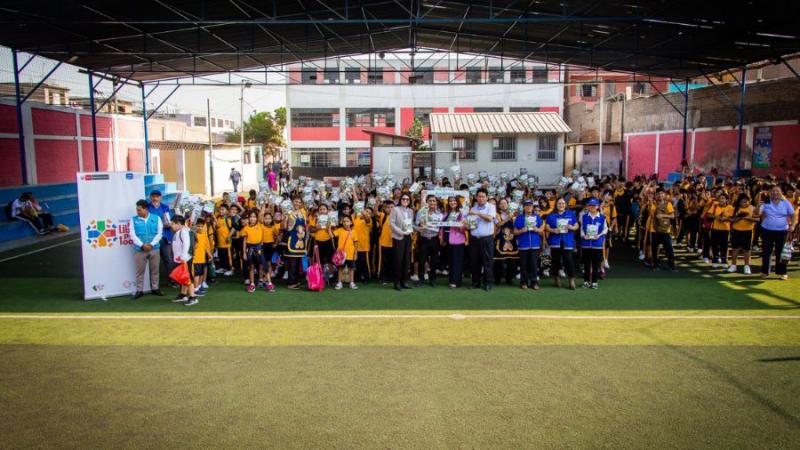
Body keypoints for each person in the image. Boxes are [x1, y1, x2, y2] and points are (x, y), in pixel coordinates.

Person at [760, 185, 797, 280]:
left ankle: (782, 273)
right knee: (766, 251)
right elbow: (757, 213)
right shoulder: (766, 203)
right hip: (767, 230)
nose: (775, 193)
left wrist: (792, 225)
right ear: (769, 193)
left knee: (781, 253)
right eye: (773, 191)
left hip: (782, 231)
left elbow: (793, 215)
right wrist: (758, 204)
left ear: (781, 193)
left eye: (777, 191)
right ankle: (765, 272)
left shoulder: (786, 203)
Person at [130, 199, 164, 299]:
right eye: (137, 210)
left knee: (155, 269)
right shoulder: (133, 219)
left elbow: (159, 233)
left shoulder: (156, 218)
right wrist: (142, 245)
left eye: (139, 210)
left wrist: (151, 244)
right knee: (139, 271)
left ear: (146, 209)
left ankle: (155, 288)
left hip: (154, 249)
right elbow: (132, 234)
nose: (137, 212)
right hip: (139, 250)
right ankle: (139, 290)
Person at [545, 197, 579, 289]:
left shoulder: (571, 214)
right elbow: (547, 227)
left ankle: (571, 280)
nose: (561, 205)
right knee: (555, 261)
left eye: (563, 203)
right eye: (559, 203)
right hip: (555, 241)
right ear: (556, 204)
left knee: (568, 260)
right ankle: (556, 279)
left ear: (565, 204)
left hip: (567, 241)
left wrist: (571, 227)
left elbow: (576, 225)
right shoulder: (551, 215)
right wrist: (553, 230)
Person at [468, 188, 498, 291]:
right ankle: (475, 282)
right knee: (474, 262)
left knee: (487, 262)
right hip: (474, 238)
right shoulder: (473, 207)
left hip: (487, 238)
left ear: (487, 197)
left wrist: (478, 213)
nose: (481, 198)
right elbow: (470, 222)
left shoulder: (491, 207)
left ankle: (488, 283)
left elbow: (490, 218)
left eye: (483, 196)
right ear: (476, 197)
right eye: (479, 196)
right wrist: (467, 224)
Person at [514, 199, 544, 290]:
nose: (528, 207)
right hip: (523, 244)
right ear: (523, 207)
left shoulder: (537, 217)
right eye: (526, 206)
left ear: (532, 207)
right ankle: (523, 282)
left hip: (534, 243)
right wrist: (521, 230)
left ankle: (534, 282)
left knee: (534, 264)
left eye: (530, 206)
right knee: (523, 264)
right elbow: (515, 231)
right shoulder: (519, 218)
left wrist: (537, 229)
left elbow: (542, 231)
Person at [414, 195, 442, 287]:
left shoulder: (440, 214)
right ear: (427, 202)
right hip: (423, 239)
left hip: (434, 239)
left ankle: (432, 280)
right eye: (430, 201)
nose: (432, 203)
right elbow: (416, 225)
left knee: (434, 261)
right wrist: (419, 228)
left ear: (436, 202)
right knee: (422, 260)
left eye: (434, 201)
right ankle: (421, 279)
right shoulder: (421, 212)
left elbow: (441, 228)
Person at [147, 190, 174, 285]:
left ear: (160, 197)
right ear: (150, 197)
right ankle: (154, 283)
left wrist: (168, 224)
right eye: (153, 196)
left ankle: (171, 280)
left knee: (168, 259)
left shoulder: (165, 207)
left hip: (165, 237)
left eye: (157, 196)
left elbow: (169, 221)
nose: (155, 198)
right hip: (153, 238)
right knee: (154, 261)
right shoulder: (147, 207)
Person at [580, 198, 607, 289]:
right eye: (590, 205)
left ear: (598, 206)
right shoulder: (584, 216)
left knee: (595, 264)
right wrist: (584, 236)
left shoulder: (602, 217)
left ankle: (594, 282)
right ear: (588, 206)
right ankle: (586, 281)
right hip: (586, 244)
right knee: (586, 264)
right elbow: (581, 230)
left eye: (594, 206)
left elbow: (605, 229)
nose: (592, 207)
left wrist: (599, 235)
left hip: (597, 244)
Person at [170, 215, 197, 306]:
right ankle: (183, 295)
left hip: (184, 259)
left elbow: (186, 244)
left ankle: (193, 297)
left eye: (173, 224)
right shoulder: (179, 231)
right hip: (181, 259)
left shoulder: (183, 232)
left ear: (178, 224)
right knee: (183, 278)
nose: (171, 226)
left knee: (188, 278)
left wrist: (183, 257)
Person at [390, 193, 414, 291]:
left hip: (408, 237)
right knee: (398, 260)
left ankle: (404, 282)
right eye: (403, 199)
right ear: (400, 200)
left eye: (407, 199)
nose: (405, 201)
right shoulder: (395, 209)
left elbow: (411, 224)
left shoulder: (411, 211)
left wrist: (420, 228)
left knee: (406, 261)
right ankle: (397, 283)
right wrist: (401, 232)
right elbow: (391, 223)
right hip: (398, 237)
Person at [729, 194, 757, 274]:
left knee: (747, 250)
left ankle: (747, 266)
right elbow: (730, 220)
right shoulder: (735, 208)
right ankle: (733, 265)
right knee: (735, 249)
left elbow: (758, 219)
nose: (743, 203)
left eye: (745, 202)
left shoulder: (752, 208)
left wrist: (749, 218)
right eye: (742, 202)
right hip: (736, 231)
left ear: (749, 201)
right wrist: (738, 217)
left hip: (748, 231)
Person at [444, 196, 467, 288]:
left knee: (457, 261)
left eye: (454, 201)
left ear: (457, 202)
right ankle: (451, 280)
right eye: (450, 201)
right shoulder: (446, 213)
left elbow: (464, 228)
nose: (452, 202)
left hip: (458, 240)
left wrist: (457, 226)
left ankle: (456, 281)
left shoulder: (461, 214)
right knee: (451, 261)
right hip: (448, 241)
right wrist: (442, 238)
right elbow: (442, 226)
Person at [333, 215, 359, 290]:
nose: (345, 223)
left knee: (351, 268)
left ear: (351, 222)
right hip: (341, 255)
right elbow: (332, 235)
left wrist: (355, 253)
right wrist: (329, 228)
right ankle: (339, 282)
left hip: (350, 254)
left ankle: (352, 282)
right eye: (344, 221)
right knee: (340, 268)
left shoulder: (354, 232)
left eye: (347, 221)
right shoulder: (339, 230)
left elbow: (356, 243)